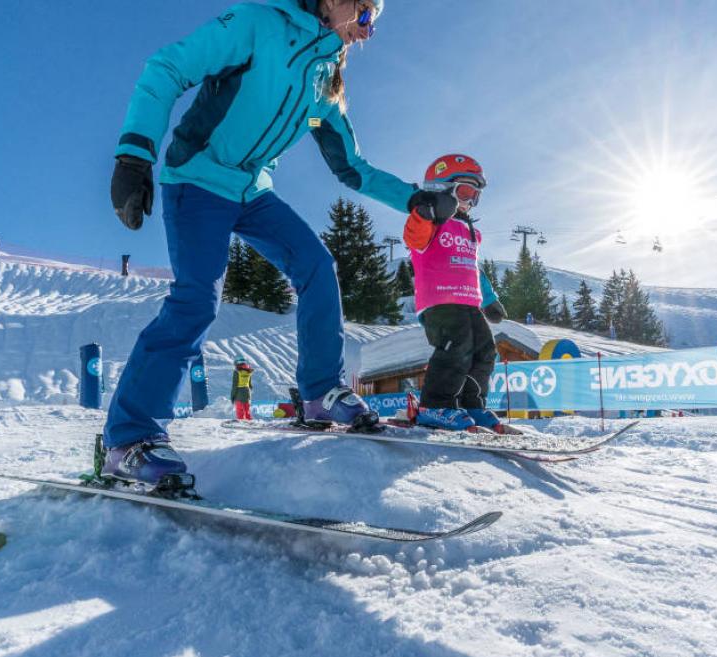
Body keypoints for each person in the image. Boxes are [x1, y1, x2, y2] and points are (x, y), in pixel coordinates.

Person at [102, 0, 460, 485]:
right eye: (369, 14)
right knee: (196, 301)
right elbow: (168, 67)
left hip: (252, 191)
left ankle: (319, 394)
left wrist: (414, 198)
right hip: (198, 180)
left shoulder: (324, 84)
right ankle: (129, 438)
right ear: (337, 1)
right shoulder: (257, 25)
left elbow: (352, 167)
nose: (370, 31)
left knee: (316, 266)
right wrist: (134, 153)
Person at [402, 154, 511, 432]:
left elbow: (474, 269)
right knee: (456, 347)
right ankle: (435, 406)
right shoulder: (431, 222)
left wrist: (490, 300)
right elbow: (413, 237)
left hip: (469, 303)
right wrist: (425, 212)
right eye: (465, 192)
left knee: (485, 352)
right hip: (440, 302)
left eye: (475, 196)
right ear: (442, 187)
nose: (470, 201)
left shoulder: (470, 231)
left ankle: (471, 405)